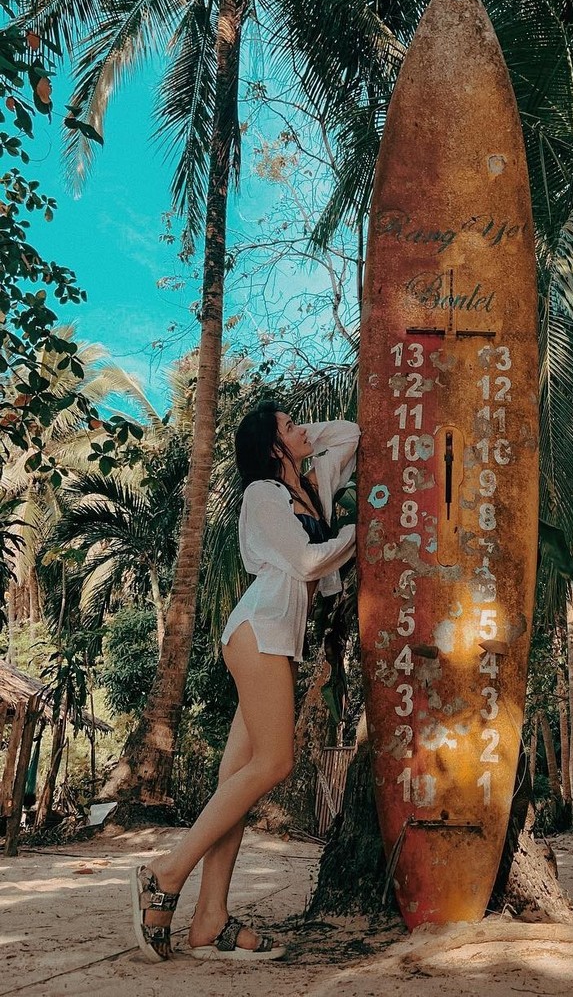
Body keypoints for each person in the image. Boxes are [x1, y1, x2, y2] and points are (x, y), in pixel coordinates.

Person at [130, 402, 360, 962]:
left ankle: (209, 920)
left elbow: (351, 434)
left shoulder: (313, 488)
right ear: (271, 447)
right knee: (275, 762)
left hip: (277, 639)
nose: (302, 429)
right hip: (258, 632)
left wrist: (299, 442)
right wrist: (358, 534)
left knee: (235, 781)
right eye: (289, 426)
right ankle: (166, 872)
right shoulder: (262, 495)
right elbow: (306, 562)